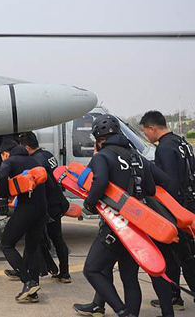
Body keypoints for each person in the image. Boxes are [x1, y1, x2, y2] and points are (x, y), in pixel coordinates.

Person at [72, 114, 167, 317]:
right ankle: (129, 313)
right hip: (138, 225)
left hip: (115, 224)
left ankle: (122, 312)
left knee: (92, 269)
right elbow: (151, 187)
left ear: (99, 137)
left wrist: (89, 204)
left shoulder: (103, 157)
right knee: (129, 277)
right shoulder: (136, 157)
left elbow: (100, 183)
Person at [140, 110, 195, 310]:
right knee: (180, 255)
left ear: (152, 128)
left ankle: (177, 295)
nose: (146, 136)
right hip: (190, 204)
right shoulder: (182, 143)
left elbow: (169, 182)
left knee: (182, 255)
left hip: (177, 208)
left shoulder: (164, 148)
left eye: (146, 132)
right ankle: (173, 295)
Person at [0, 140, 48, 303]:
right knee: (32, 248)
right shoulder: (35, 160)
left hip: (27, 208)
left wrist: (3, 197)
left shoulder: (10, 161)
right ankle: (33, 292)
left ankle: (28, 281)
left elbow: (2, 175)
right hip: (42, 209)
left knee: (7, 244)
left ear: (6, 153)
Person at [18, 131, 71, 283]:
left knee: (39, 238)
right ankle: (63, 272)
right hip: (57, 201)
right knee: (50, 238)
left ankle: (63, 272)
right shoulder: (47, 155)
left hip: (48, 205)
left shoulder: (35, 162)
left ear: (27, 148)